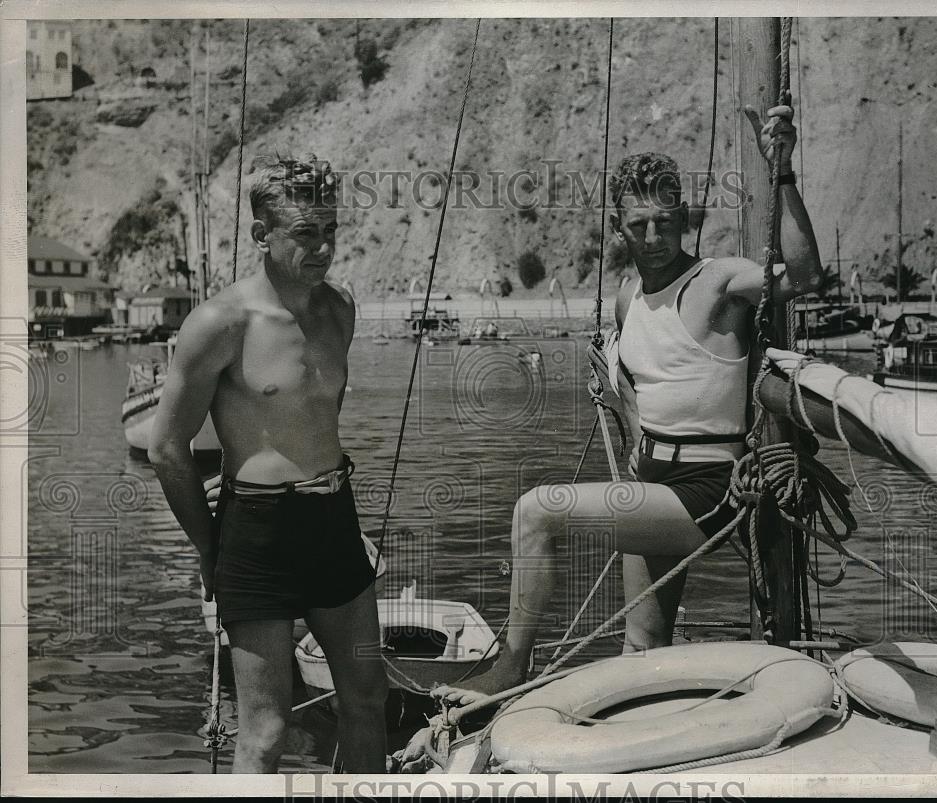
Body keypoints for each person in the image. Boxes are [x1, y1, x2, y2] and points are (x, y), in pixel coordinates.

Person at [432, 105, 823, 706]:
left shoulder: (718, 283)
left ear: (684, 220)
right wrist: (623, 407)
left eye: (666, 222)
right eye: (638, 224)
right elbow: (647, 399)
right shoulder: (629, 297)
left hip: (709, 487)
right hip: (652, 478)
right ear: (619, 227)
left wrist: (783, 170)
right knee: (641, 649)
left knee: (537, 513)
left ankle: (510, 668)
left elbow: (802, 275)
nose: (653, 237)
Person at [148, 154, 387, 773]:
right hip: (256, 532)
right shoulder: (219, 323)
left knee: (367, 701)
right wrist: (209, 550)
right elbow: (167, 447)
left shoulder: (339, 310)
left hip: (335, 521)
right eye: (307, 233)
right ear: (262, 236)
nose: (325, 247)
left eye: (331, 230)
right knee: (266, 730)